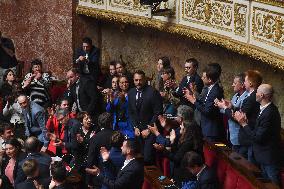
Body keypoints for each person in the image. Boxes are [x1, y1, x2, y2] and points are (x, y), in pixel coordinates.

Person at [235, 84, 282, 186]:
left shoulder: (270, 112)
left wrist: (243, 124)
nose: (255, 94)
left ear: (261, 95)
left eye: (257, 92)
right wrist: (245, 122)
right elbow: (257, 131)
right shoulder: (264, 109)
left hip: (269, 157)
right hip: (262, 155)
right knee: (264, 184)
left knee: (273, 185)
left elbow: (257, 137)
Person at [128, 70, 163, 165]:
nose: (138, 82)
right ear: (133, 80)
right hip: (137, 132)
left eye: (140, 80)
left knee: (148, 158)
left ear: (145, 80)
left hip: (150, 131)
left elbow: (158, 112)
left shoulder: (153, 92)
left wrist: (149, 129)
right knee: (138, 157)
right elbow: (131, 112)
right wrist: (135, 127)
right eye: (136, 80)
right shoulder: (131, 92)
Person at [184, 64, 224, 142]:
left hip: (211, 130)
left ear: (210, 80)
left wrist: (193, 101)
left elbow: (207, 110)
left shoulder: (215, 91)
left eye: (204, 77)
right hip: (205, 127)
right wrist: (193, 94)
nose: (202, 78)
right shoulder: (209, 88)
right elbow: (203, 102)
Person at [214, 73, 248, 153]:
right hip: (231, 133)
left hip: (239, 135)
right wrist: (220, 106)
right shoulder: (235, 96)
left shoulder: (246, 98)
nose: (232, 85)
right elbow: (228, 111)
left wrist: (224, 107)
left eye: (235, 83)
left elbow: (236, 115)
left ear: (242, 85)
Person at [86, 112, 114, 188]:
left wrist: (89, 180)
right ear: (111, 122)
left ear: (99, 124)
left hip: (101, 175)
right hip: (117, 173)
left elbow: (91, 160)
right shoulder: (118, 135)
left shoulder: (95, 138)